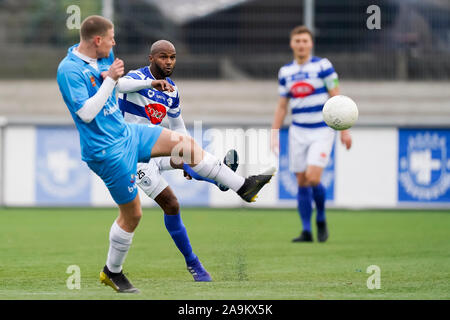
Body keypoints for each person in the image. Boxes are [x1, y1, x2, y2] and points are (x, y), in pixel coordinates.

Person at [56, 15, 275, 293]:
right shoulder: (69, 70)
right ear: (97, 40)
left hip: (132, 137)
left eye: (173, 57)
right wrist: (117, 80)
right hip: (110, 151)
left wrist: (145, 85)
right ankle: (117, 270)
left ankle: (242, 186)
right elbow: (89, 111)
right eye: (111, 38)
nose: (115, 43)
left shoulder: (113, 60)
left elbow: (126, 90)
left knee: (187, 146)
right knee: (144, 212)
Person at [114, 39, 239, 284]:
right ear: (151, 58)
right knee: (171, 204)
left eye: (172, 57)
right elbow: (119, 84)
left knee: (184, 158)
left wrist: (192, 154)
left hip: (152, 149)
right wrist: (151, 82)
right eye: (163, 57)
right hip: (130, 156)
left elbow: (178, 127)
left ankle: (218, 179)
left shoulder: (172, 89)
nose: (168, 62)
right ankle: (194, 263)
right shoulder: (136, 77)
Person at [271, 26, 352, 243]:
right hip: (298, 130)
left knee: (313, 177)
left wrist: (344, 131)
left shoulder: (323, 66)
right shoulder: (285, 72)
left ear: (311, 44)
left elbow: (337, 98)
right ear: (292, 44)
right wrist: (274, 132)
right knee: (301, 182)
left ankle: (322, 217)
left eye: (304, 41)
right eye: (297, 41)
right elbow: (282, 106)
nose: (301, 44)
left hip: (322, 130)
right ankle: (306, 231)